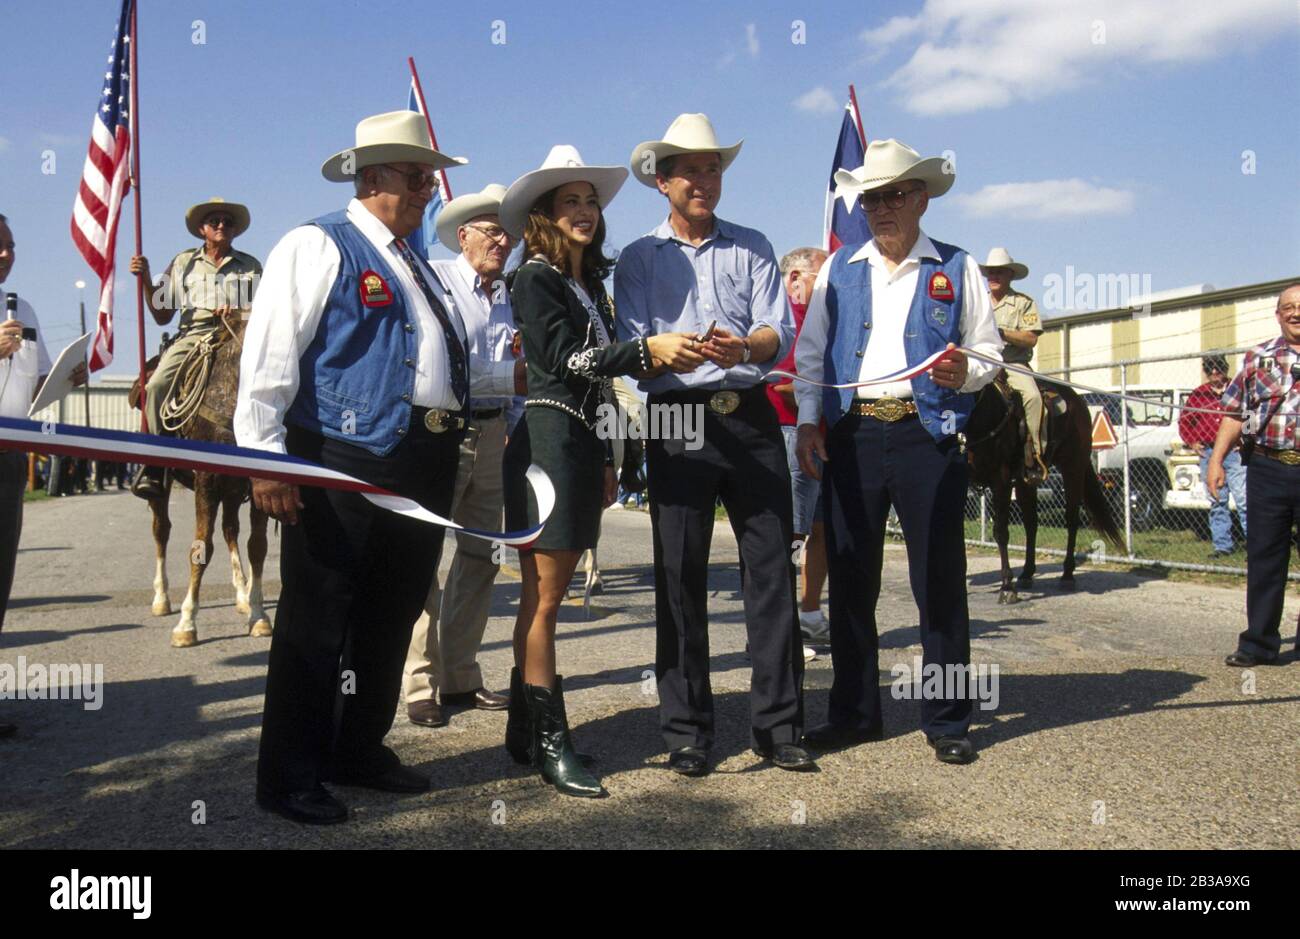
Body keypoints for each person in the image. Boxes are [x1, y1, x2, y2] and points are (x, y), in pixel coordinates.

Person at [234, 111, 470, 824]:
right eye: (415, 174)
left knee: (391, 612)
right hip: (341, 455)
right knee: (319, 613)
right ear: (371, 179)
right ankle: (289, 775)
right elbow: (271, 355)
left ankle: (358, 747)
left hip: (423, 456)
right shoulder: (316, 243)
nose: (430, 186)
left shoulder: (414, 260)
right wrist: (264, 459)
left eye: (428, 174)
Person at [498, 145, 704, 797]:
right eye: (571, 202)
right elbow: (567, 361)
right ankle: (554, 743)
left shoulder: (586, 284)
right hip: (546, 445)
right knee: (548, 596)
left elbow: (608, 377)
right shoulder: (533, 277)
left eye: (591, 201)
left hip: (579, 444)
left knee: (540, 594)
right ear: (543, 215)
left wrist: (615, 447)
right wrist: (643, 349)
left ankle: (522, 725)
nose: (586, 211)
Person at [615, 113, 814, 777]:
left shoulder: (754, 245)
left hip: (749, 411)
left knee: (771, 572)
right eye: (691, 170)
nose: (704, 180)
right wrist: (661, 351)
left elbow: (773, 332)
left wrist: (745, 344)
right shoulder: (638, 259)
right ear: (662, 181)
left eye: (713, 169)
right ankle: (687, 730)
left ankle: (780, 725)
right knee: (678, 574)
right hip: (675, 414)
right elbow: (634, 349)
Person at [794, 139, 1003, 765]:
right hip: (853, 433)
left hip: (926, 434)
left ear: (921, 198)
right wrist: (810, 423)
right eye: (873, 197)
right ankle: (855, 714)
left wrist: (965, 371)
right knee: (852, 579)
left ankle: (948, 720)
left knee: (938, 581)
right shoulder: (839, 268)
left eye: (895, 195)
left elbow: (989, 354)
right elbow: (811, 352)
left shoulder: (957, 267)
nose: (882, 207)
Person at [402, 184, 527, 728]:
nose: (502, 241)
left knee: (481, 558)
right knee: (424, 559)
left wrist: (514, 427)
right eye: (491, 230)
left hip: (495, 434)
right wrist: (509, 377)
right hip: (442, 433)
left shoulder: (513, 294)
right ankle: (418, 684)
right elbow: (440, 369)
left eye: (508, 233)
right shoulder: (436, 282)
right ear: (463, 236)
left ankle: (460, 675)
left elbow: (520, 377)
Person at [0, 212, 86, 737]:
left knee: (0, 575)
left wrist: (66, 379)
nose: (5, 255)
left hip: (10, 453)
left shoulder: (24, 309)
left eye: (10, 245)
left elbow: (34, 390)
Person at [129, 198, 261, 497]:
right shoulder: (183, 262)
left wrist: (240, 311)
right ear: (202, 229)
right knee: (157, 385)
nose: (221, 226)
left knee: (273, 384)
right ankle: (155, 463)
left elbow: (266, 310)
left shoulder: (251, 266)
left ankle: (268, 459)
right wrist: (146, 279)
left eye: (227, 222)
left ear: (235, 230)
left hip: (238, 336)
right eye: (214, 221)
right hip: (194, 336)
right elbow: (162, 315)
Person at [1209, 283, 1300, 668]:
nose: (1296, 313)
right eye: (1288, 307)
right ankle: (1259, 644)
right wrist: (1217, 460)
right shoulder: (1257, 358)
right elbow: (1233, 414)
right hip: (1268, 467)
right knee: (1264, 558)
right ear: (1278, 315)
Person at [768, 246, 830, 651]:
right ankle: (781, 628)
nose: (829, 289)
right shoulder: (783, 320)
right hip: (791, 434)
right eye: (820, 279)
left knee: (820, 529)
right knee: (792, 532)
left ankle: (808, 614)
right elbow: (777, 384)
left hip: (825, 439)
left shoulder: (820, 319)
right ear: (794, 279)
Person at [981, 248, 1046, 483]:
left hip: (1013, 364)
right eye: (990, 272)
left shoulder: (1023, 303)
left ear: (1010, 275)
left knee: (1032, 398)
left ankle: (1035, 456)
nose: (993, 277)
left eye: (999, 272)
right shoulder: (977, 301)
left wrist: (1002, 333)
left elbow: (1031, 338)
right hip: (982, 363)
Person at [1179, 354, 1246, 557]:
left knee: (1244, 499)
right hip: (1208, 451)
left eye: (1218, 368)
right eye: (1210, 369)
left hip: (1235, 452)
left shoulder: (1238, 389)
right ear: (1206, 372)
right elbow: (1184, 421)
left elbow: (1250, 415)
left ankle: (1256, 545)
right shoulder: (1198, 395)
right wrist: (1192, 441)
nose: (1215, 373)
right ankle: (1222, 546)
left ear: (1225, 369)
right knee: (1218, 501)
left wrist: (1246, 440)